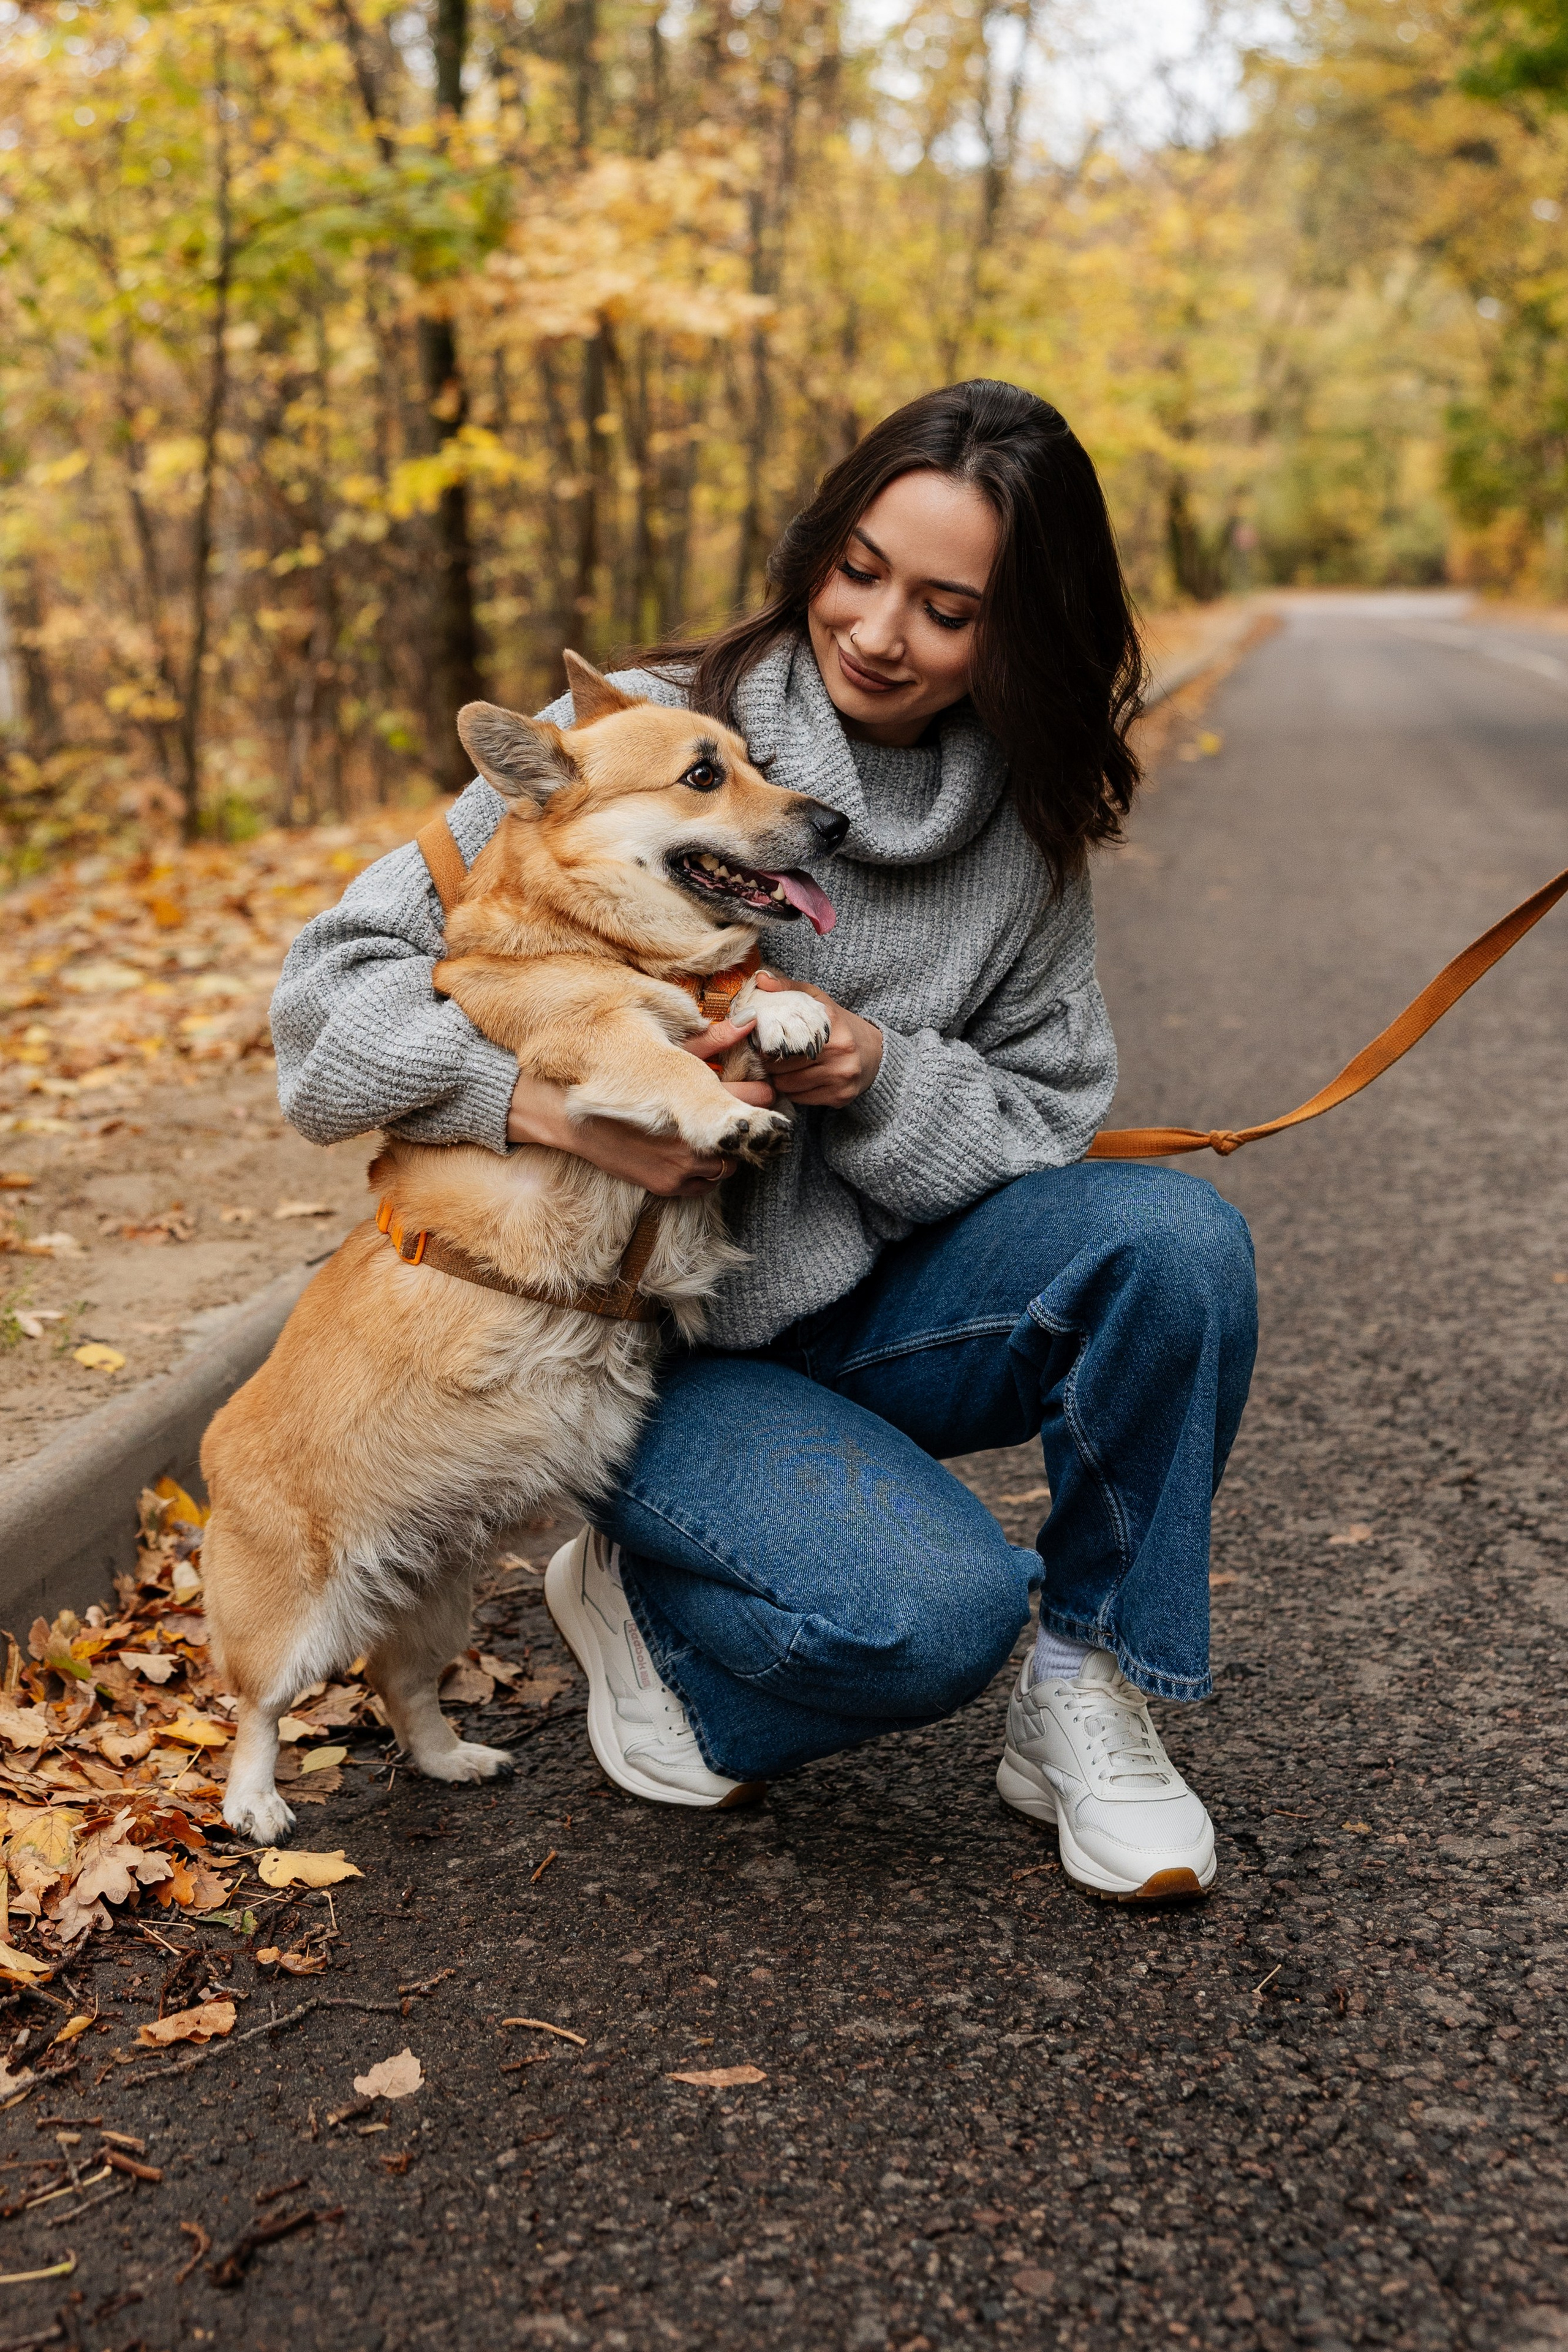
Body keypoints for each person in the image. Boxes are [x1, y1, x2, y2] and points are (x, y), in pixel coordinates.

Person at [271, 379, 1257, 1902]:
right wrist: (535, 1101)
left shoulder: (1025, 832)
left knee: (1174, 1244)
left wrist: (869, 1074)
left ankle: (1086, 1689)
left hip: (862, 1309)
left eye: (946, 608)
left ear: (1022, 630)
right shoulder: (626, 732)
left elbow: (1047, 1117)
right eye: (858, 569)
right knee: (920, 1621)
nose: (875, 630)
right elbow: (320, 1010)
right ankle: (655, 1596)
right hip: (635, 1354)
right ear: (819, 542)